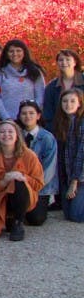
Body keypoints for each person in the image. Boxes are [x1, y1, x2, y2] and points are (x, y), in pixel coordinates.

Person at [0, 120, 44, 242]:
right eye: (2, 132)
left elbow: (39, 184)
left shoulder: (29, 155)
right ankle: (7, 216)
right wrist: (4, 181)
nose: (6, 134)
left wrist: (22, 176)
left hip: (23, 195)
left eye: (10, 131)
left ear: (17, 135)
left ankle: (18, 222)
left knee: (17, 181)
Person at [17, 100, 57, 225]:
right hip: (20, 182)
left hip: (40, 186)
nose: (27, 116)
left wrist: (34, 186)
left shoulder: (47, 138)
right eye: (24, 113)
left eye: (31, 113)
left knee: (36, 219)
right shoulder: (16, 135)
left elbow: (49, 169)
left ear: (38, 116)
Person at [0, 39, 46, 121]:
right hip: (8, 120)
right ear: (6, 53)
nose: (15, 54)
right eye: (11, 51)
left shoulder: (34, 71)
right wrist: (6, 117)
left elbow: (40, 96)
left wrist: (32, 114)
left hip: (30, 119)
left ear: (24, 52)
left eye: (18, 51)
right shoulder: (0, 72)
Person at [55, 88, 84, 222]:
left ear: (79, 103)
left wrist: (74, 182)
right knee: (68, 214)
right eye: (65, 101)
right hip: (68, 175)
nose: (68, 104)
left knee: (76, 215)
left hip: (80, 176)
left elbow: (81, 156)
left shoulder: (81, 123)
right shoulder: (61, 122)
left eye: (73, 101)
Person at [42, 49, 84, 129]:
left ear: (75, 62)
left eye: (68, 59)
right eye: (61, 60)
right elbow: (48, 113)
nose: (64, 62)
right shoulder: (51, 87)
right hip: (59, 129)